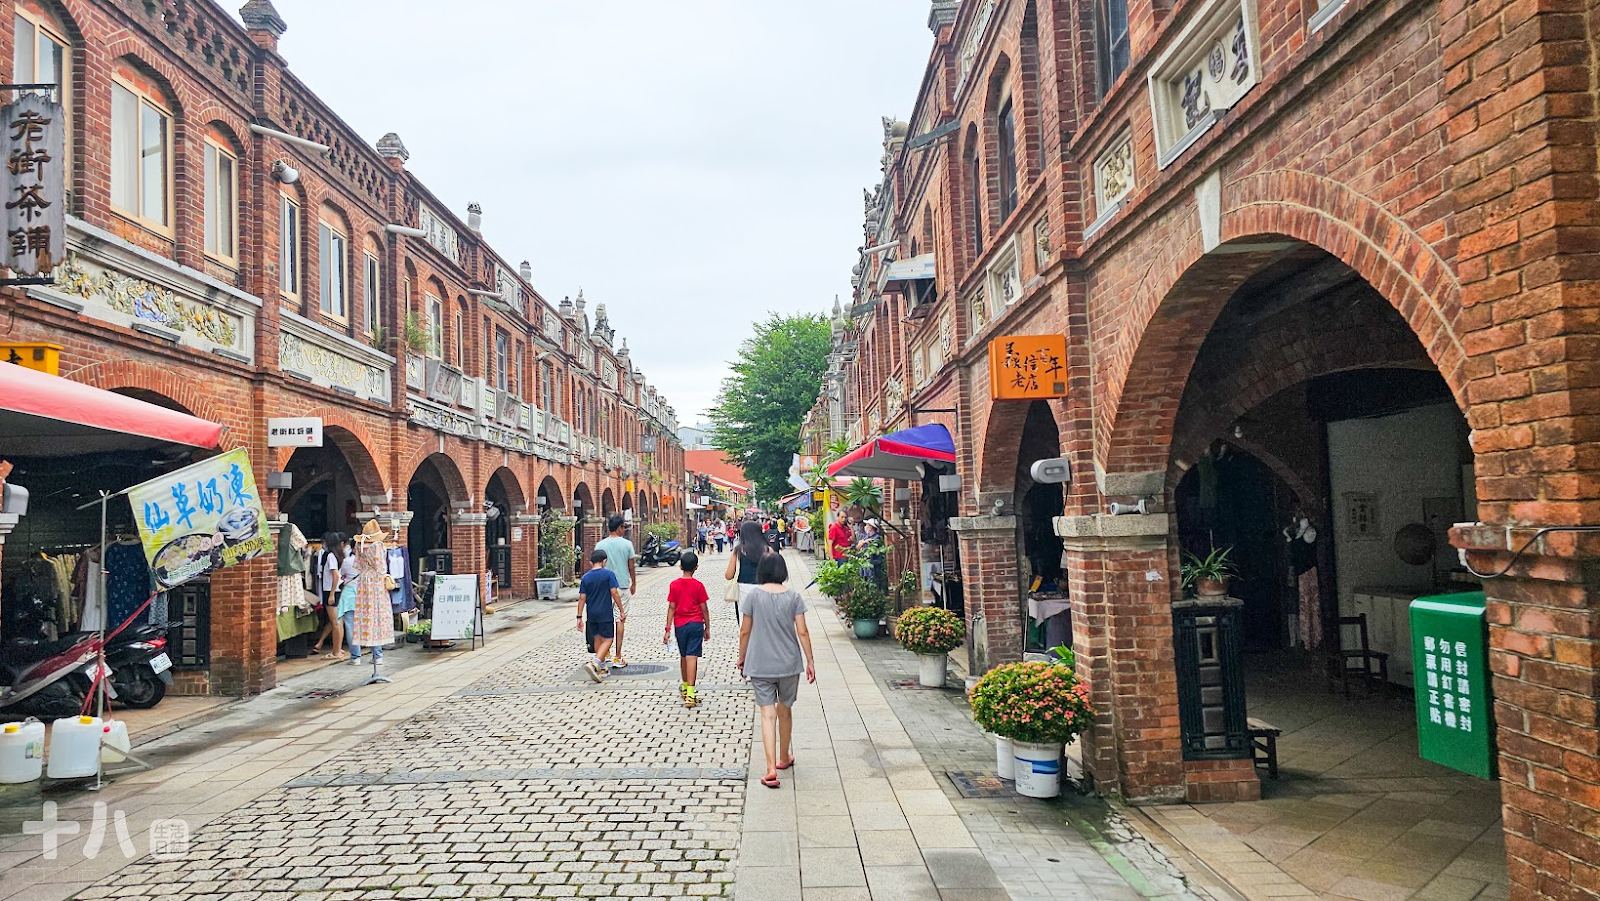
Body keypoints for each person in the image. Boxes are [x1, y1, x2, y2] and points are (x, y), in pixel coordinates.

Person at [738, 553, 816, 789]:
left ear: (761, 571)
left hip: (760, 664)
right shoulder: (793, 597)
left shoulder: (753, 596)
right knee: (785, 709)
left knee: (767, 714)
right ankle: (784, 757)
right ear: (783, 571)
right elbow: (802, 631)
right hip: (789, 663)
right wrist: (810, 661)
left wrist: (741, 658)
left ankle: (770, 768)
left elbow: (744, 631)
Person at [664, 551, 711, 708]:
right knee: (692, 658)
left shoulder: (674, 585)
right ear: (696, 567)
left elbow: (671, 607)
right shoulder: (698, 586)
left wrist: (667, 628)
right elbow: (704, 608)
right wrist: (707, 626)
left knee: (683, 656)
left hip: (680, 625)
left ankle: (684, 686)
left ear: (680, 566)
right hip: (696, 624)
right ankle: (690, 694)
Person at [595, 514, 637, 667]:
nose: (624, 530)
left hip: (603, 587)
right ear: (619, 528)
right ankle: (618, 657)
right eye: (623, 527)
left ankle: (604, 653)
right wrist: (634, 583)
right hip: (622, 586)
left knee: (604, 620)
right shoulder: (627, 545)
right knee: (620, 619)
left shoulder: (600, 545)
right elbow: (631, 566)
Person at [577, 550, 622, 682]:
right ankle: (595, 662)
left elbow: (581, 598)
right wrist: (621, 609)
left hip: (591, 613)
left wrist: (579, 617)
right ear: (604, 561)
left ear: (591, 562)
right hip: (605, 613)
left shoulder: (585, 577)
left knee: (597, 639)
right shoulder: (608, 574)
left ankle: (602, 667)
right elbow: (614, 593)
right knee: (608, 639)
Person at [312, 531, 350, 659]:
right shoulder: (338, 555)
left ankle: (336, 651)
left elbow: (335, 575)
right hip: (338, 589)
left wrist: (331, 594)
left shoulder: (330, 556)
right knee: (339, 621)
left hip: (331, 590)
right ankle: (338, 649)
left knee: (335, 622)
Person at [725, 520, 770, 624]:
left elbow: (728, 575)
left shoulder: (738, 550)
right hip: (764, 587)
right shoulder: (768, 550)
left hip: (744, 588)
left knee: (745, 621)